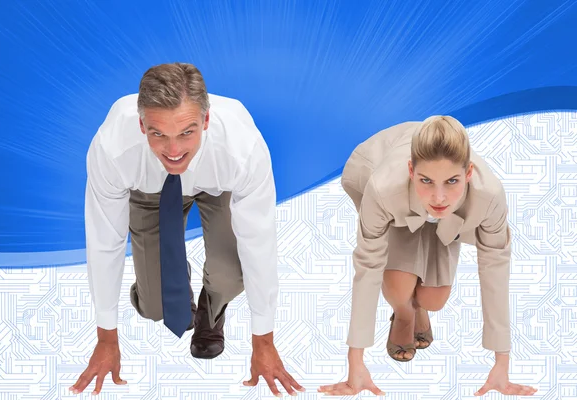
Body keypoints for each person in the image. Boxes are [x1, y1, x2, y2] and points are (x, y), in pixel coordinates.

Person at [69, 62, 304, 397]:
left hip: (218, 186)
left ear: (205, 121)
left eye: (186, 132)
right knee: (156, 307)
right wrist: (107, 338)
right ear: (141, 125)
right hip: (150, 192)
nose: (174, 150)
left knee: (231, 274)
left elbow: (260, 242)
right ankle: (166, 287)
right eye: (158, 134)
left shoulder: (241, 149)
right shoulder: (112, 148)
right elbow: (105, 240)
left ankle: (212, 309)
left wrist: (263, 341)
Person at [318, 117, 538, 397]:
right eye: (426, 180)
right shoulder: (383, 188)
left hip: (452, 218)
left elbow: (495, 269)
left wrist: (502, 364)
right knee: (399, 287)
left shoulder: (489, 196)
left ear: (469, 173)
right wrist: (355, 363)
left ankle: (419, 307)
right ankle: (404, 314)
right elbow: (368, 266)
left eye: (452, 181)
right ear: (411, 171)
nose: (439, 197)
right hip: (398, 207)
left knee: (434, 299)